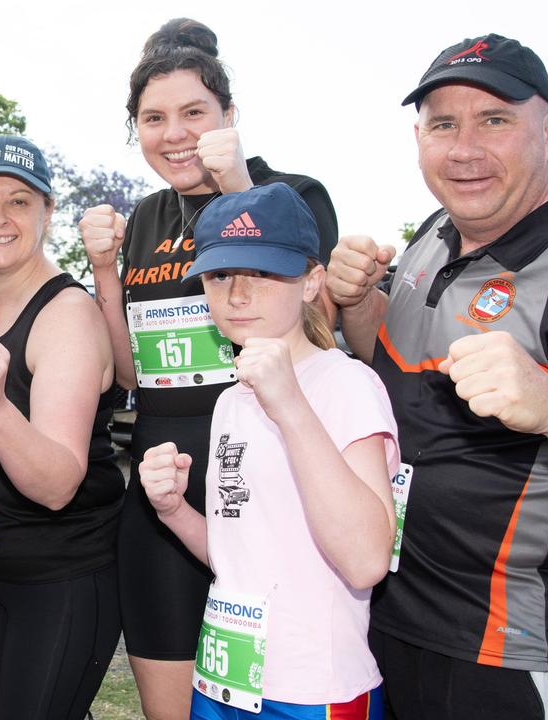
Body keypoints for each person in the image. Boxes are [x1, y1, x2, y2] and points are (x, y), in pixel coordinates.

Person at [326, 34, 548, 718]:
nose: (465, 149)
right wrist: (355, 301)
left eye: (494, 120)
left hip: (512, 651)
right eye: (443, 124)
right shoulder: (435, 231)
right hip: (388, 618)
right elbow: (389, 364)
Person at [77, 18, 338, 718]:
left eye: (195, 112)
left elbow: (321, 332)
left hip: (268, 489)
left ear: (230, 116)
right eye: (153, 118)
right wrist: (106, 270)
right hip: (162, 492)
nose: (175, 133)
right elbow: (130, 372)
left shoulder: (292, 195)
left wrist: (235, 181)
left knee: (281, 699)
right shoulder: (144, 221)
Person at [140, 183, 398, 720]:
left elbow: (367, 560)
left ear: (311, 282)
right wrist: (174, 512)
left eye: (261, 274)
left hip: (312, 690)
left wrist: (291, 407)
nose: (236, 295)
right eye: (219, 276)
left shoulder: (344, 384)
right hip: (225, 679)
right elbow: (239, 559)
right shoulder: (232, 399)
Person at [0, 135, 122, 719]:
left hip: (54, 580)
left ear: (47, 210)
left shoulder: (65, 315)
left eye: (19, 201)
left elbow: (57, 482)